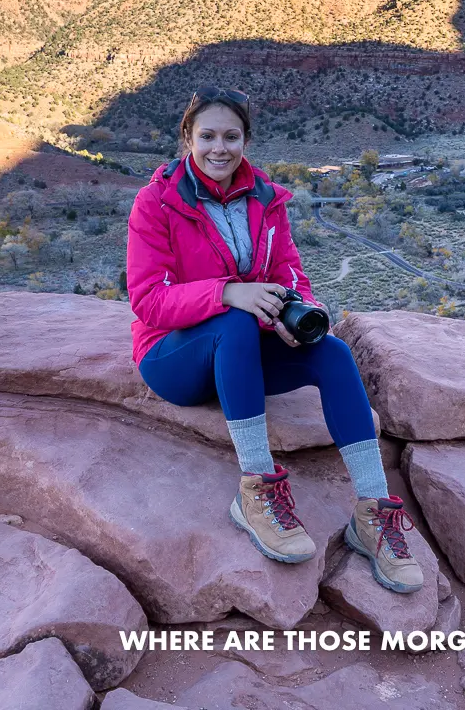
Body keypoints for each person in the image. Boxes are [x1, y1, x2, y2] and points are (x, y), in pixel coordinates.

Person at [124, 87, 423, 593]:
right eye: (208, 136)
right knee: (235, 321)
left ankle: (372, 513)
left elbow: (288, 271)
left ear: (246, 139)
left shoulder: (265, 198)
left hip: (239, 356)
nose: (220, 148)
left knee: (332, 352)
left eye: (231, 136)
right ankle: (256, 490)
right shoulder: (157, 202)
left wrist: (298, 309)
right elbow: (148, 300)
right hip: (173, 357)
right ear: (187, 139)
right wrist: (229, 293)